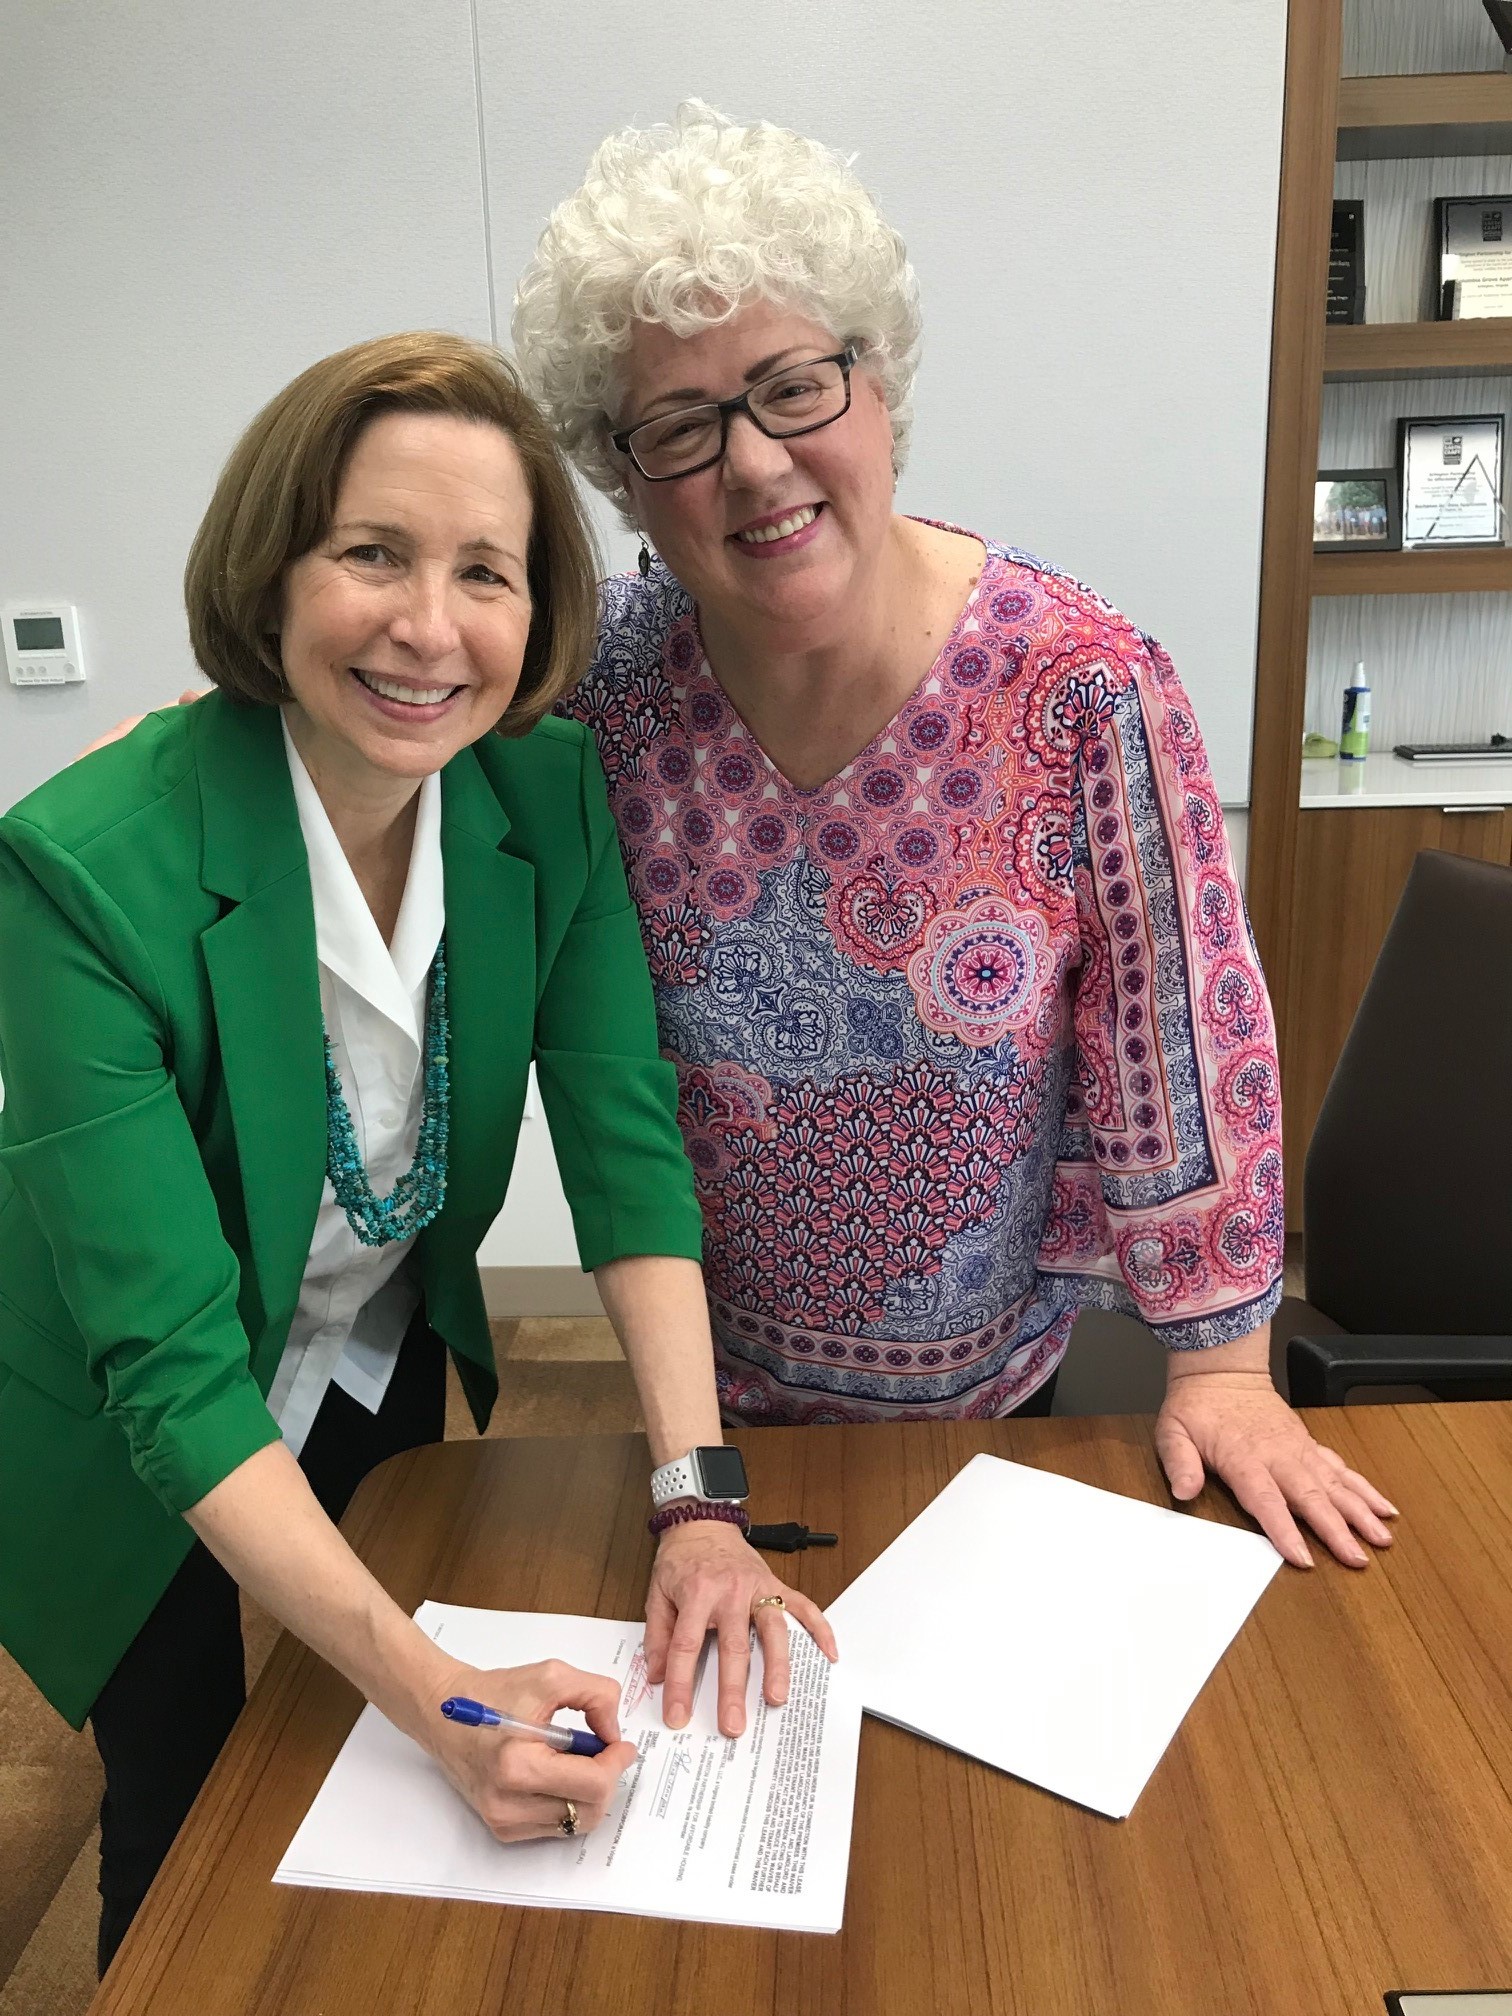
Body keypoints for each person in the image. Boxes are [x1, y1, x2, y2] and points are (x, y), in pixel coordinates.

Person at [0, 332, 831, 1975]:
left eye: (485, 572)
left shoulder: (548, 791)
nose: (429, 626)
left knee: (369, 1755)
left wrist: (698, 1503)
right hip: (122, 1403)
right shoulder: (77, 869)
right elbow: (168, 1368)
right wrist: (455, 1706)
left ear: (539, 615)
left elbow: (623, 1140)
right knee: (181, 1791)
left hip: (372, 1340)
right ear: (273, 567)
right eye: (371, 553)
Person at [507, 103, 1398, 1571]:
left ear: (877, 385)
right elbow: (399, 697)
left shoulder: (1080, 686)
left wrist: (1224, 1368)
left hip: (1003, 1399)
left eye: (794, 386)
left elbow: (1180, 1040)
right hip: (705, 1403)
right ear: (624, 476)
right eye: (680, 425)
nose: (753, 463)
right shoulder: (597, 687)